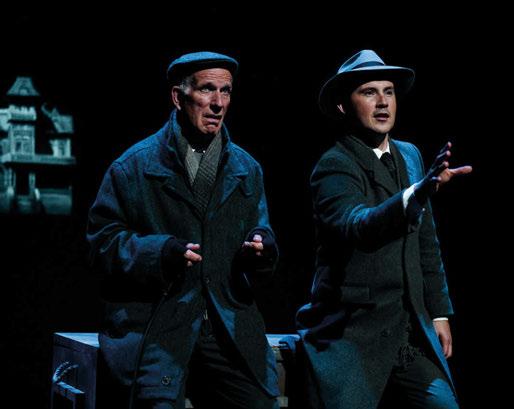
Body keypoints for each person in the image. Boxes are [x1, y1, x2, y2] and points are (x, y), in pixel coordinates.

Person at [87, 51, 280, 409]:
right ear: (178, 97)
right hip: (159, 324)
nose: (218, 103)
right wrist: (160, 252)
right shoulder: (134, 167)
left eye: (226, 91)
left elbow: (260, 228)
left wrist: (262, 248)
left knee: (260, 402)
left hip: (226, 326)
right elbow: (102, 244)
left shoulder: (246, 169)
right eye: (207, 89)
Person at [295, 49, 472, 409]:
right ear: (344, 105)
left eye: (388, 92)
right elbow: (359, 225)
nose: (382, 102)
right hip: (353, 335)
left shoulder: (410, 155)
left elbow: (426, 242)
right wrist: (414, 194)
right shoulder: (334, 165)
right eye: (369, 92)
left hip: (406, 335)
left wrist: (438, 312)